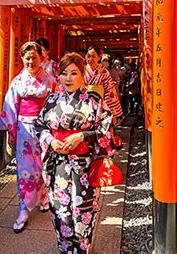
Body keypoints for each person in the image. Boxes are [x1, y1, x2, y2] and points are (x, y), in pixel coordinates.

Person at [34, 53, 118, 253]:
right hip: (58, 164)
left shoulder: (93, 99)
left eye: (74, 73)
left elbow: (105, 126)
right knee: (60, 210)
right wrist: (51, 141)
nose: (68, 78)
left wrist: (82, 136)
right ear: (58, 77)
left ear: (82, 75)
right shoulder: (52, 100)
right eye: (64, 74)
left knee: (83, 211)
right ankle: (65, 249)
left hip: (84, 164)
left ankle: (82, 249)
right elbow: (40, 125)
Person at [0, 42, 57, 233]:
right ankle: (23, 209)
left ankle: (44, 197)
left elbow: (56, 106)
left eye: (34, 57)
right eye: (27, 57)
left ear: (41, 58)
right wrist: (11, 131)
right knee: (25, 169)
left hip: (45, 129)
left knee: (44, 166)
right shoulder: (18, 81)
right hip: (24, 129)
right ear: (22, 58)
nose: (31, 61)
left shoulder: (50, 80)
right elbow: (10, 107)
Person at [84, 45, 123, 123]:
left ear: (99, 57)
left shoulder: (104, 72)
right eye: (88, 56)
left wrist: (112, 113)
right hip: (84, 104)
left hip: (101, 104)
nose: (90, 59)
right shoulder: (82, 70)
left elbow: (110, 92)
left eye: (93, 56)